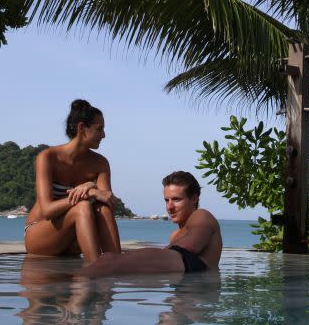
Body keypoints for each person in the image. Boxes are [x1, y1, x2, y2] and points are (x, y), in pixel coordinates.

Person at [24, 99, 122, 263]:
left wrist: (89, 186)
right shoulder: (48, 157)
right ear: (82, 128)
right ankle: (95, 268)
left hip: (73, 239)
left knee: (103, 208)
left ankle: (116, 264)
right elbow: (47, 210)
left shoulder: (100, 163)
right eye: (100, 129)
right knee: (82, 206)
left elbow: (108, 201)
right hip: (40, 234)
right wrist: (88, 193)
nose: (104, 135)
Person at [82, 171, 221, 275]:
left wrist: (129, 257)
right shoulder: (175, 235)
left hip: (196, 274)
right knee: (107, 259)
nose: (169, 207)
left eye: (176, 199)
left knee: (108, 263)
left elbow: (190, 246)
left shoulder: (202, 215)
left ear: (194, 199)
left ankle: (68, 283)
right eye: (167, 200)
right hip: (183, 283)